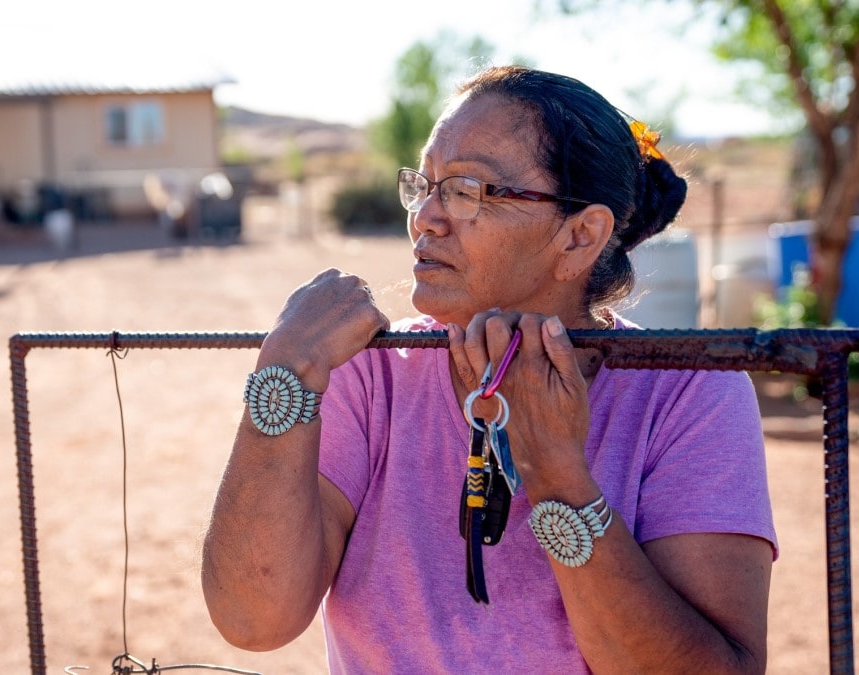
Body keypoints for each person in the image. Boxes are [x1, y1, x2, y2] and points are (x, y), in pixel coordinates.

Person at [201, 65, 777, 673]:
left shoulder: (687, 394)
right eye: (423, 186)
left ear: (580, 237)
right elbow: (253, 620)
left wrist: (556, 475)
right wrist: (283, 379)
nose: (425, 217)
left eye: (467, 190)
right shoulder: (372, 375)